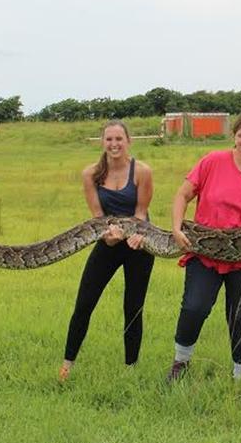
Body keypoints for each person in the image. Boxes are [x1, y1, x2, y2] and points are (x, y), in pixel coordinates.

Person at [164, 114, 241, 382]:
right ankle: (180, 363)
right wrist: (175, 227)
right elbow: (183, 194)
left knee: (240, 315)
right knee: (195, 307)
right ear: (234, 138)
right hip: (205, 251)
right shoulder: (213, 161)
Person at [58, 120, 155, 381]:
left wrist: (135, 237)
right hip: (108, 240)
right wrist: (110, 239)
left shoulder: (142, 171)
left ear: (128, 141)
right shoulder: (90, 174)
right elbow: (97, 217)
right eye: (109, 139)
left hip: (139, 243)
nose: (114, 144)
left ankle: (130, 368)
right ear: (103, 142)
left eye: (119, 139)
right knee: (84, 303)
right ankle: (67, 364)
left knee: (133, 306)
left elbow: (141, 214)